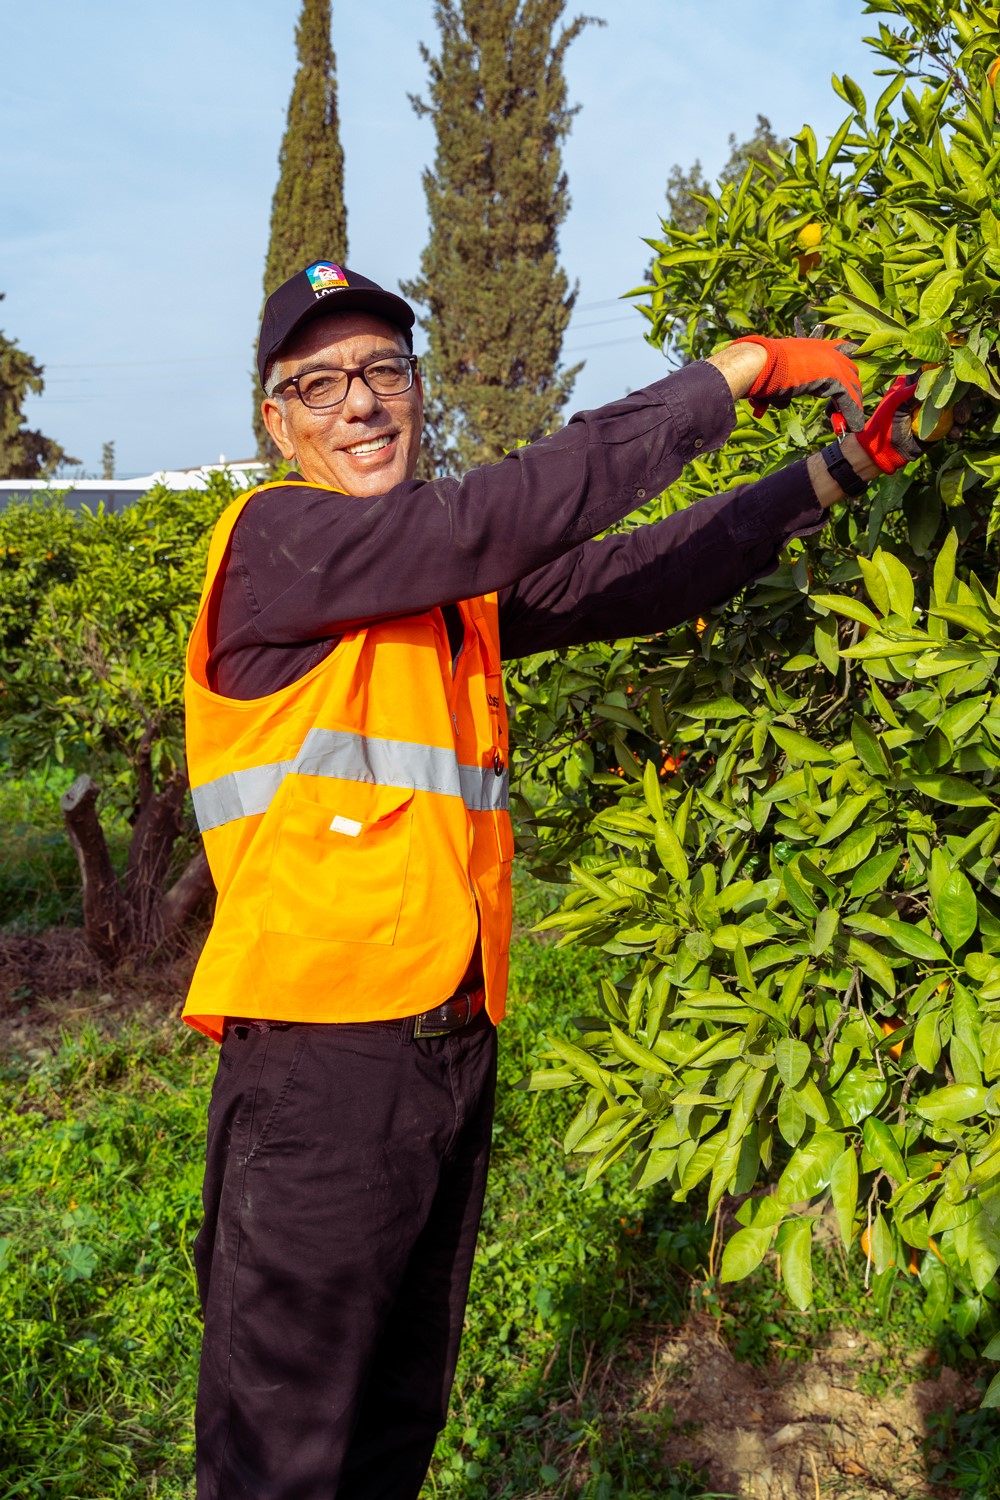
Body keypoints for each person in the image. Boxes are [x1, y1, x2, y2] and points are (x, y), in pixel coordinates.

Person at [182, 262, 921, 1500]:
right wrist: (728, 378)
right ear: (278, 423)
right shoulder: (278, 543)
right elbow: (501, 514)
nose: (356, 404)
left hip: (442, 1049)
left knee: (389, 1425)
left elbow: (634, 576)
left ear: (415, 394)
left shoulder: (436, 591)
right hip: (319, 1061)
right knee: (280, 1457)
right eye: (318, 385)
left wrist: (836, 472)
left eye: (381, 373)